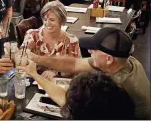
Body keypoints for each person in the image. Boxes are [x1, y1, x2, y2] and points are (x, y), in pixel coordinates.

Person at [19, 27, 150, 119]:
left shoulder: (116, 87)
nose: (89, 50)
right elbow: (75, 64)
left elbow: (69, 103)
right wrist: (37, 59)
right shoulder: (125, 60)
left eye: (94, 49)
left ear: (109, 59)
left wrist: (34, 74)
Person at [21, 0, 81, 79]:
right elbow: (22, 62)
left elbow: (77, 68)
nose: (47, 23)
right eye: (45, 19)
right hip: (36, 83)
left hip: (61, 85)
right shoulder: (32, 36)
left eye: (52, 20)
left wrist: (56, 73)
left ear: (61, 21)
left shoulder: (72, 41)